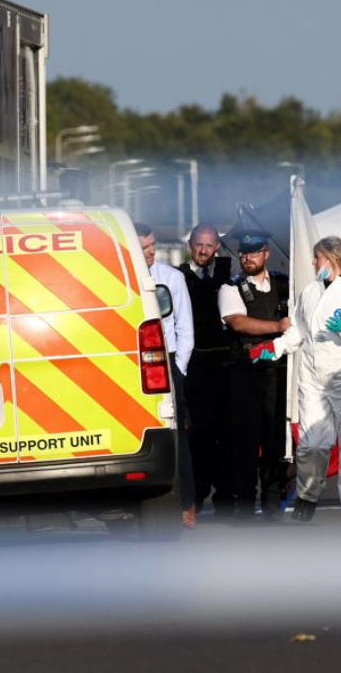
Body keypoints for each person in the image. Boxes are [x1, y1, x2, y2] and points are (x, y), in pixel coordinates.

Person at [250, 236, 341, 525]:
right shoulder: (310, 292)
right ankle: (307, 495)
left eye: (317, 257)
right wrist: (275, 348)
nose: (313, 263)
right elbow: (298, 331)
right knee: (312, 445)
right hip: (312, 378)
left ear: (331, 260)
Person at [218, 229, 292, 521]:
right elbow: (238, 323)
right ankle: (245, 504)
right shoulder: (231, 287)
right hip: (246, 372)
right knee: (245, 440)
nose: (247, 257)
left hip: (276, 371)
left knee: (274, 439)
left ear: (266, 253)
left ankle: (272, 503)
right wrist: (277, 327)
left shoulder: (285, 285)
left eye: (253, 252)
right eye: (243, 252)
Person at [135, 222, 197, 529]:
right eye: (143, 247)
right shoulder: (123, 278)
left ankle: (187, 503)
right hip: (134, 363)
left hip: (169, 362)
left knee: (177, 437)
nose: (149, 252)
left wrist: (179, 369)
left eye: (151, 246)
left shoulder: (171, 278)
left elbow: (185, 328)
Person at [180, 223, 237, 518]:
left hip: (226, 365)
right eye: (198, 245)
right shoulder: (179, 277)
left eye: (209, 245)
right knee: (199, 435)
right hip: (196, 367)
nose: (203, 251)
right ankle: (198, 494)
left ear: (217, 247)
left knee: (227, 434)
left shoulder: (229, 274)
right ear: (191, 245)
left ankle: (225, 497)